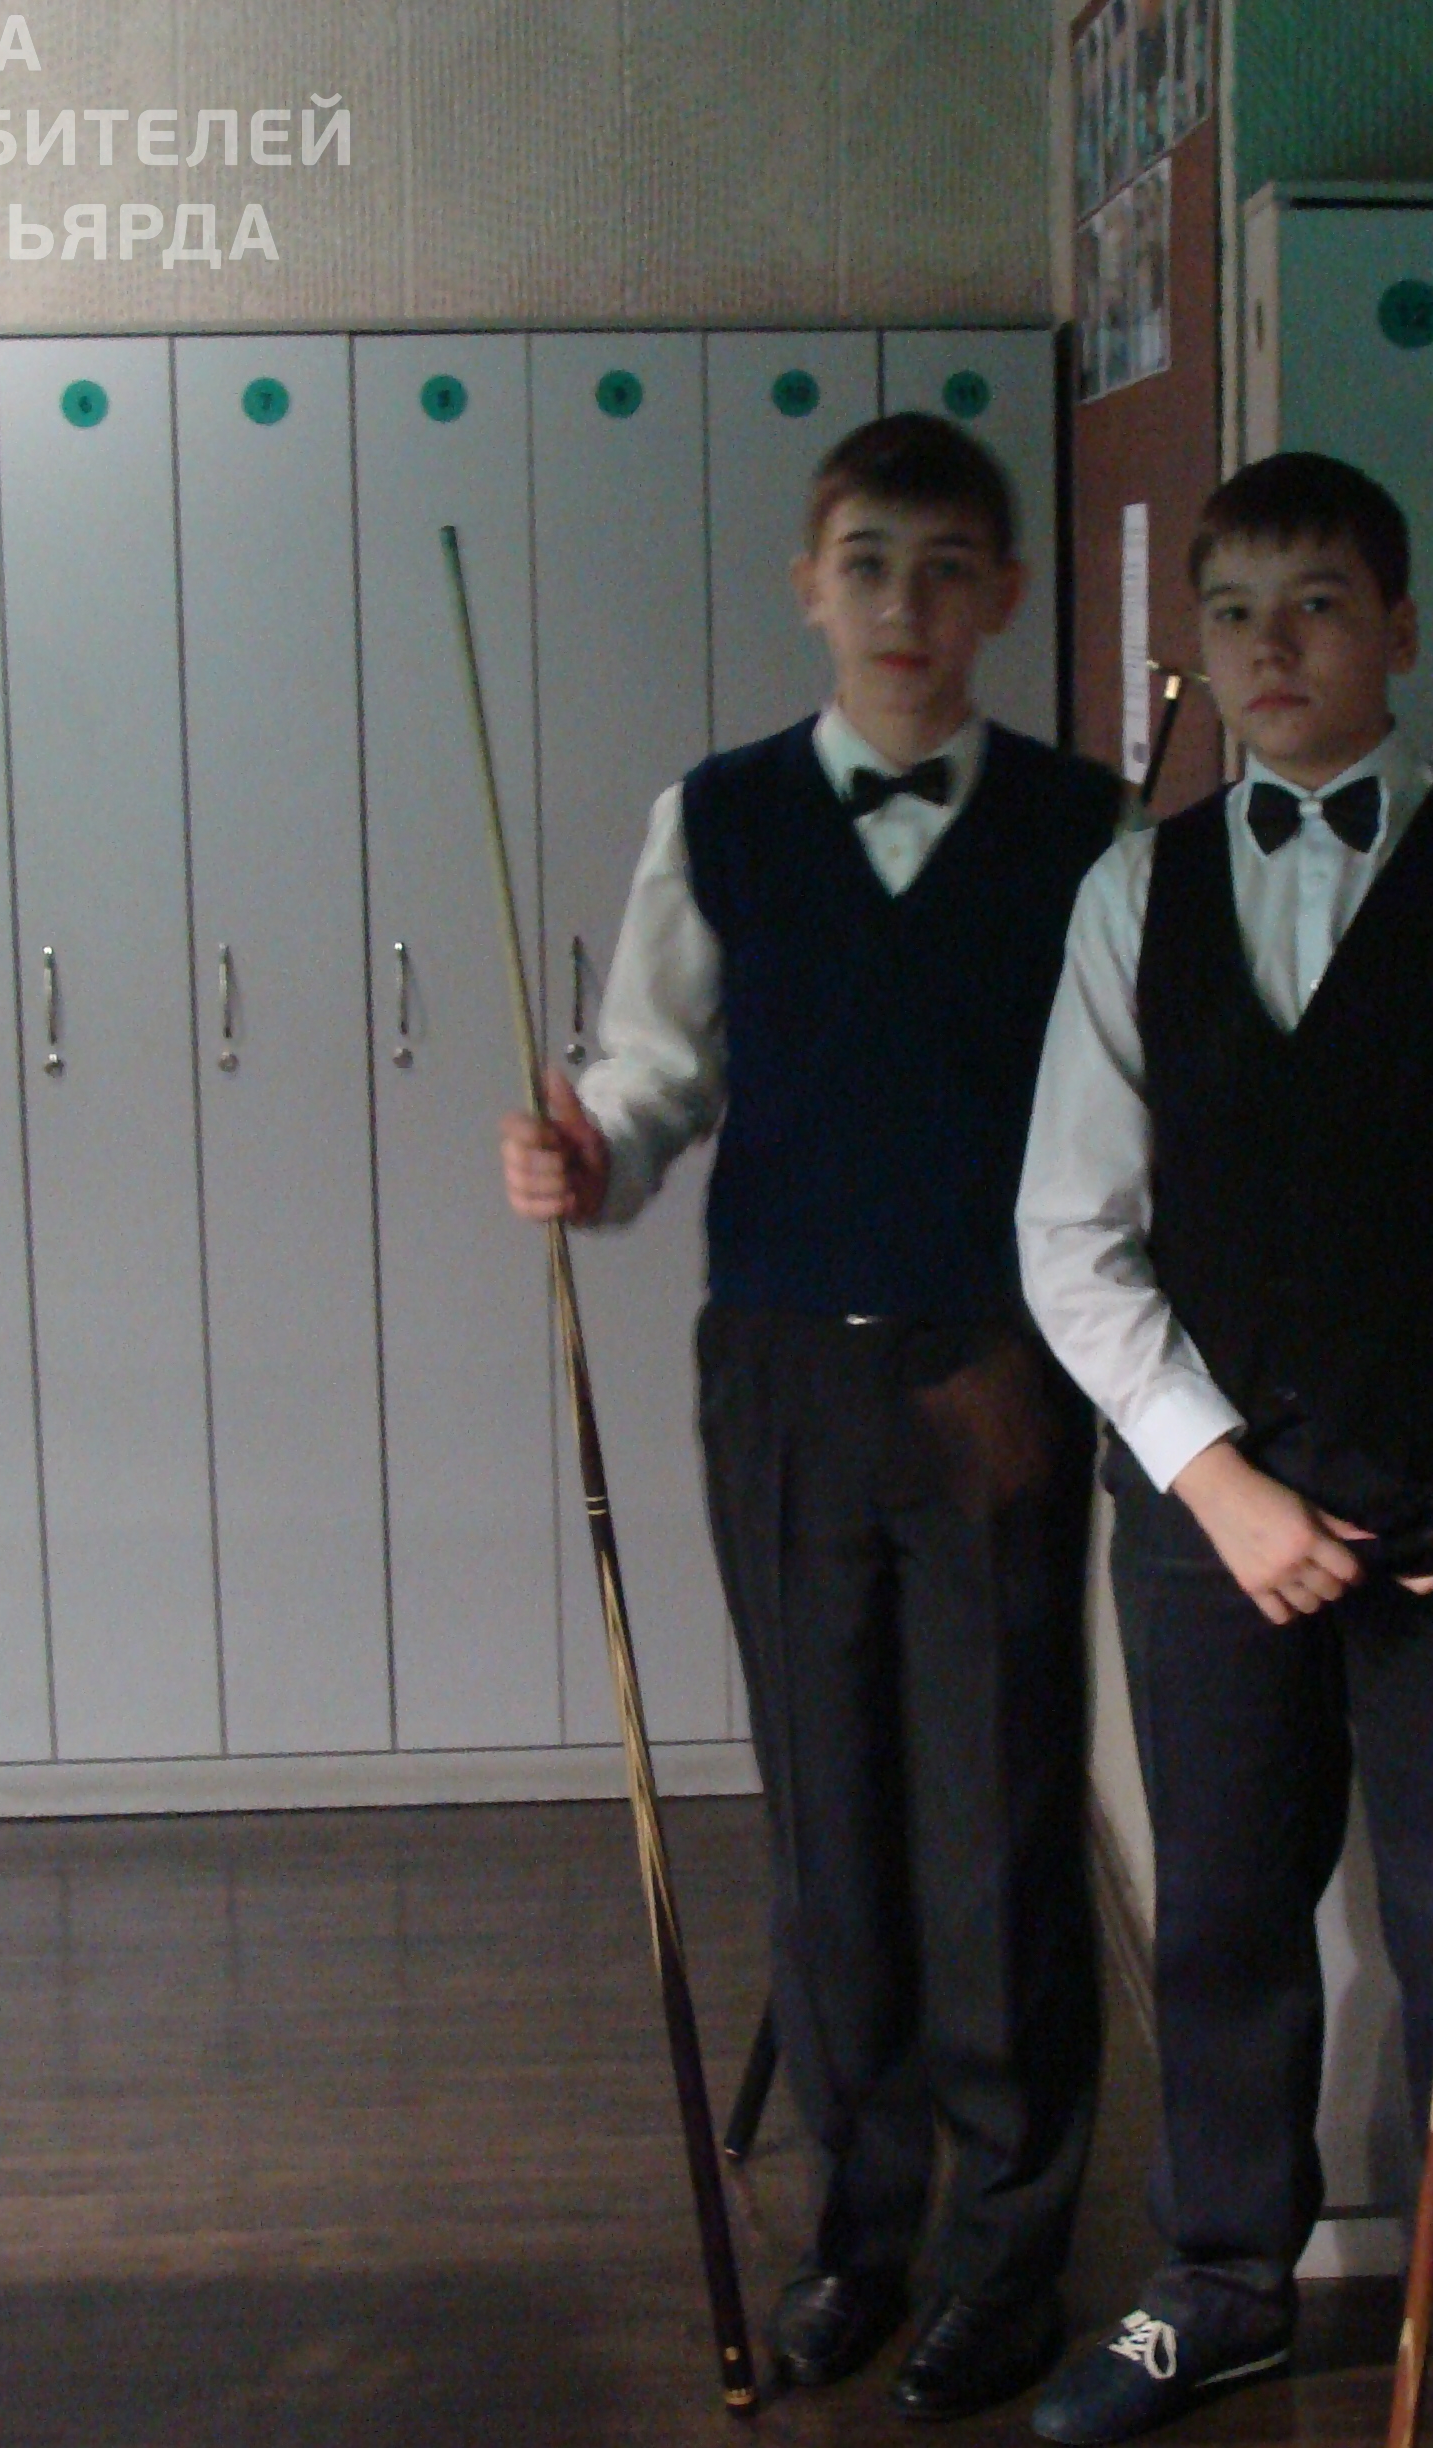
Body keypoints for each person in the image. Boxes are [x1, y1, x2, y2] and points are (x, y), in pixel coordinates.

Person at [1015, 452, 1433, 2448]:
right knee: (1219, 1913)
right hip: (1206, 1515)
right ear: (1197, 653)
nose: (1272, 645)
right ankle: (1220, 2284)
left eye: (1315, 603)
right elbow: (1069, 1233)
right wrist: (1217, 1481)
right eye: (1233, 613)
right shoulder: (1129, 891)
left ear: (1398, 628)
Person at [501, 413, 1122, 2421]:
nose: (903, 606)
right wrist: (585, 1159)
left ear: (1003, 596)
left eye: (946, 568)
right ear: (807, 586)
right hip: (778, 1371)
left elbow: (1133, 1113)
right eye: (867, 565)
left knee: (998, 1818)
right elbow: (653, 1072)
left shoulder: (1091, 830)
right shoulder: (719, 816)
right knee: (829, 1808)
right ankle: (861, 2230)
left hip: (1000, 1374)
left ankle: (1008, 2250)